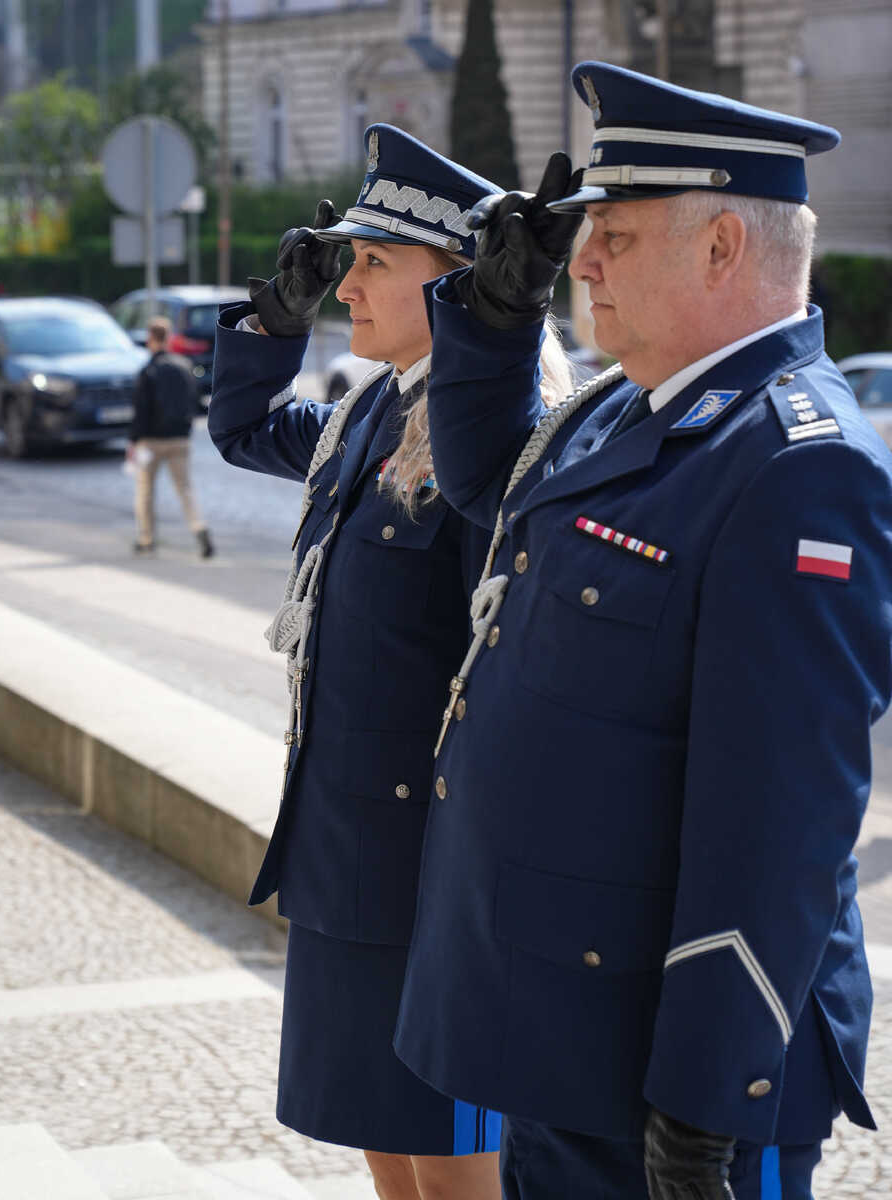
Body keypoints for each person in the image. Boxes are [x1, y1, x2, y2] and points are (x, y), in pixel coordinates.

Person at [392, 63, 892, 1199]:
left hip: (667, 1072)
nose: (584, 260)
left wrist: (707, 1098)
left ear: (721, 248)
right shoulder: (628, 403)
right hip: (559, 1033)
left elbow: (781, 822)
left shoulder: (797, 468)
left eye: (614, 231)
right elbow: (485, 486)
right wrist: (492, 317)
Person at [208, 124, 576, 1200]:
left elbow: (512, 675)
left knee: (451, 1154)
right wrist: (279, 319)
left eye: (375, 263)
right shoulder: (374, 411)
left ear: (462, 283)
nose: (350, 284)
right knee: (374, 1129)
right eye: (348, 261)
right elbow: (244, 430)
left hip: (431, 863)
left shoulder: (506, 438)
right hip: (348, 847)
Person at [127, 315, 214, 557]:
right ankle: (199, 529)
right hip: (179, 439)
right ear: (168, 337)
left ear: (150, 339)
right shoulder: (184, 366)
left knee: (145, 491)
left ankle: (146, 539)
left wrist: (134, 441)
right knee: (185, 489)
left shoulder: (148, 371)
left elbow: (141, 410)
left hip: (151, 442)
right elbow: (195, 402)